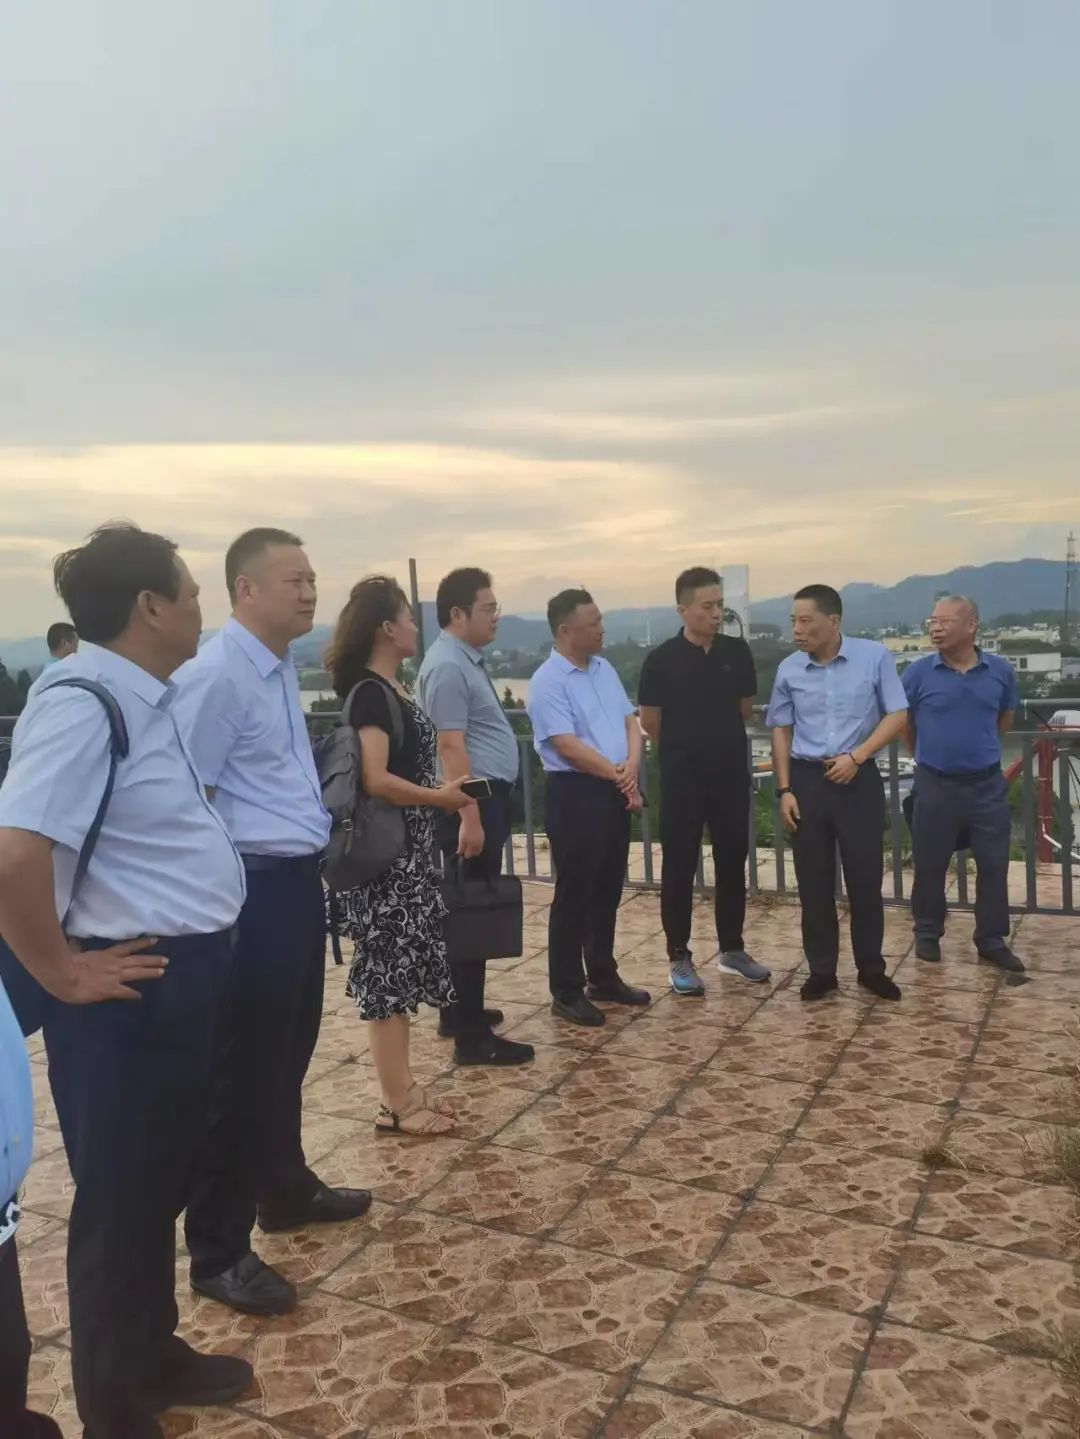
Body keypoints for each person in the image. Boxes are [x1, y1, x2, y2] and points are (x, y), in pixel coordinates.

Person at [0, 523, 252, 1439]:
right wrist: (61, 972)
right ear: (149, 605)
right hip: (126, 994)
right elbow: (15, 854)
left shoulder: (142, 695)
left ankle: (153, 1354)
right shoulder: (84, 703)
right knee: (119, 1199)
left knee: (158, 1185)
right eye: (189, 589)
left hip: (174, 979)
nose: (199, 605)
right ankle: (114, 1406)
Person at [172, 529, 371, 1319]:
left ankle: (283, 1188)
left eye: (313, 577)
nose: (310, 590)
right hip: (248, 891)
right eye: (293, 579)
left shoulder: (277, 665)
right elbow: (190, 796)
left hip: (293, 882)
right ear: (245, 590)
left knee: (288, 1050)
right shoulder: (217, 675)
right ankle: (218, 1249)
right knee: (244, 1068)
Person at [327, 576, 474, 1134]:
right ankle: (396, 1102)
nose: (416, 626)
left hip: (406, 855)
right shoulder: (371, 694)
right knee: (387, 976)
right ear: (387, 628)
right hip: (385, 861)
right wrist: (440, 797)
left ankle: (406, 1087)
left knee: (401, 971)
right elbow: (376, 779)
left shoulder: (391, 689)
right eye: (409, 618)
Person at [767, 584, 908, 1002]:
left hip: (857, 778)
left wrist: (858, 756)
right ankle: (822, 971)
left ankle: (871, 969)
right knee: (813, 883)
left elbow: (898, 713)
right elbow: (781, 729)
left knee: (865, 880)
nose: (797, 629)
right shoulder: (789, 669)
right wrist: (784, 789)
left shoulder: (874, 657)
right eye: (793, 621)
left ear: (833, 621)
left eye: (805, 620)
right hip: (807, 781)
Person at [417, 567, 534, 1066]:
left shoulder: (463, 660)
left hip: (479, 799)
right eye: (488, 609)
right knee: (471, 911)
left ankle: (458, 1010)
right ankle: (471, 1037)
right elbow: (450, 746)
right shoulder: (448, 666)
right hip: (472, 801)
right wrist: (470, 815)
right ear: (457, 613)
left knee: (468, 907)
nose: (496, 617)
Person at [639, 566, 771, 996]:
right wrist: (688, 746)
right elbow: (650, 721)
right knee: (679, 866)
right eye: (708, 606)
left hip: (729, 775)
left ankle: (732, 949)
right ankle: (679, 955)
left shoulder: (737, 652)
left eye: (720, 606)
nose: (716, 614)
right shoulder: (660, 660)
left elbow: (744, 709)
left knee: (732, 860)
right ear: (683, 609)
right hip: (682, 780)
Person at [526, 589, 651, 1026]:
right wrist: (620, 775)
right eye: (593, 623)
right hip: (576, 792)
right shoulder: (547, 680)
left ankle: (603, 975)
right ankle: (566, 990)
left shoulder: (604, 669)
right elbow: (566, 745)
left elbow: (630, 722)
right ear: (565, 630)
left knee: (607, 888)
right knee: (575, 893)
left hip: (614, 787)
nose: (602, 629)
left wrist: (630, 767)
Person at [901, 595, 1024, 971]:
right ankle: (927, 932)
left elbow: (1004, 720)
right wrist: (926, 755)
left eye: (944, 621)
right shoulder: (917, 673)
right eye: (932, 621)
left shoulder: (1000, 671)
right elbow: (904, 723)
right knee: (930, 862)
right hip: (935, 783)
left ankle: (991, 939)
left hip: (986, 786)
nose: (935, 628)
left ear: (971, 626)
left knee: (993, 864)